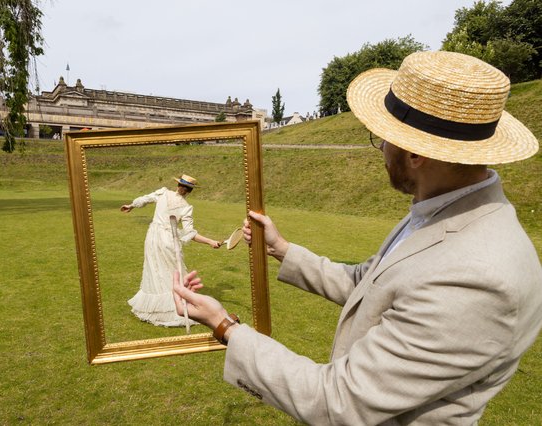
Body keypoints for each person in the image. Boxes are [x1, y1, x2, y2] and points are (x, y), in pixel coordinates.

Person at [172, 51, 542, 424]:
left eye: (382, 139)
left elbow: (339, 400)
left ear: (413, 153)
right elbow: (368, 284)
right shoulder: (439, 212)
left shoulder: (476, 277)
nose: (380, 150)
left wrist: (225, 327)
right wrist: (281, 249)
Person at [122, 174, 221, 327]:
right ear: (189, 190)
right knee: (172, 272)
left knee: (158, 270)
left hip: (154, 237)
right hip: (166, 239)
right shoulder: (185, 206)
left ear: (179, 185)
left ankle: (165, 308)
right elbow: (190, 233)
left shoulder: (164, 193)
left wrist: (131, 205)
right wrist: (210, 241)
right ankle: (173, 307)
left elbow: (144, 199)